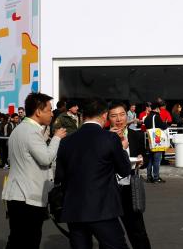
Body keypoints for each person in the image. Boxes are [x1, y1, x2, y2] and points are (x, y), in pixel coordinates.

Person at [56, 97, 130, 249]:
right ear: (104, 115)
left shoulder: (66, 141)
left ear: (82, 116)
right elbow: (124, 170)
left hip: (74, 209)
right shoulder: (109, 138)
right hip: (102, 208)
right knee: (116, 245)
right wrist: (122, 149)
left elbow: (59, 176)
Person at [2, 93, 67, 249]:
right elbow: (46, 158)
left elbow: (14, 160)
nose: (52, 113)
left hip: (16, 194)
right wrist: (57, 138)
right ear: (38, 111)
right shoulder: (31, 131)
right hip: (28, 196)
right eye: (49, 110)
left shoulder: (18, 130)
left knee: (17, 239)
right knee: (29, 240)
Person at [108, 101, 152, 249]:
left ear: (127, 116)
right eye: (114, 116)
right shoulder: (103, 137)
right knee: (108, 234)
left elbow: (145, 156)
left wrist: (142, 160)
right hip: (109, 190)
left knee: (137, 231)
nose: (119, 119)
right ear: (108, 118)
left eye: (122, 115)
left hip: (129, 188)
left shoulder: (136, 135)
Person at [142, 102, 168, 183]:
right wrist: (165, 123)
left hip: (149, 141)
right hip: (157, 142)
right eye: (159, 109)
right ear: (156, 108)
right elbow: (163, 126)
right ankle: (156, 177)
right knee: (157, 160)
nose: (160, 110)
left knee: (150, 159)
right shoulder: (156, 117)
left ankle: (149, 177)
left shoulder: (147, 117)